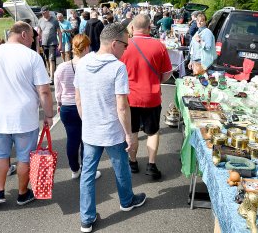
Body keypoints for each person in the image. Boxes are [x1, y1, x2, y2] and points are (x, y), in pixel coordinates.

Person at [74, 23, 146, 233]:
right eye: (125, 45)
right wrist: (129, 135)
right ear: (115, 44)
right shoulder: (117, 67)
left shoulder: (83, 62)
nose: (126, 49)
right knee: (121, 167)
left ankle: (86, 219)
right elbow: (122, 107)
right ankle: (126, 200)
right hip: (112, 130)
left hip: (90, 130)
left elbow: (78, 99)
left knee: (87, 173)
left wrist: (86, 120)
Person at [0, 21, 54, 206]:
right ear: (24, 35)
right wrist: (49, 114)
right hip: (24, 116)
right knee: (24, 156)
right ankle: (22, 193)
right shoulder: (32, 57)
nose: (32, 41)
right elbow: (43, 91)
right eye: (32, 37)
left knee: (1, 154)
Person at [120, 14, 172, 180]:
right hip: (152, 96)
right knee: (153, 131)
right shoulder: (159, 45)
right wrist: (155, 80)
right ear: (149, 28)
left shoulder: (124, 46)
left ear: (132, 28)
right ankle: (151, 164)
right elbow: (167, 75)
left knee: (132, 130)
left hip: (130, 97)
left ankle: (133, 162)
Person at [54, 34, 101, 180]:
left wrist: (59, 103)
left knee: (72, 139)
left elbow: (58, 91)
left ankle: (74, 169)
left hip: (67, 107)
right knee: (86, 140)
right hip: (86, 106)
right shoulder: (91, 66)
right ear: (87, 47)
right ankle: (87, 169)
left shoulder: (62, 67)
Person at [37, 6, 62, 84]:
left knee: (52, 59)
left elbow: (59, 32)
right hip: (44, 43)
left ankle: (52, 77)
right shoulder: (40, 20)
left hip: (53, 43)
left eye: (44, 13)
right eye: (42, 13)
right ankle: (50, 74)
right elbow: (38, 32)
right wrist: (38, 44)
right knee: (47, 60)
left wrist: (60, 43)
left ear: (48, 12)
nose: (43, 14)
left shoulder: (54, 20)